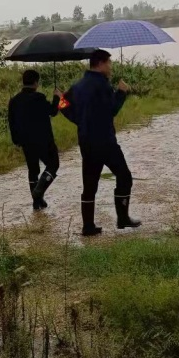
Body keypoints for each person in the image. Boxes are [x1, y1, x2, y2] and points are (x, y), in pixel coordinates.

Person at [62, 50, 142, 236]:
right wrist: (121, 92)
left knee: (89, 184)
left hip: (86, 141)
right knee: (124, 177)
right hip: (105, 141)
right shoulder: (102, 85)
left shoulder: (77, 86)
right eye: (109, 63)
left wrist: (79, 121)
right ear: (100, 63)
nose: (110, 68)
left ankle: (88, 226)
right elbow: (111, 110)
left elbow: (62, 106)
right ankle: (122, 218)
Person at [8, 69, 62, 210]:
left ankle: (37, 202)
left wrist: (16, 140)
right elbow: (53, 111)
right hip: (44, 140)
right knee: (53, 165)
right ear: (36, 82)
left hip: (26, 141)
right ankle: (38, 193)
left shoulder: (14, 100)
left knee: (33, 170)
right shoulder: (39, 98)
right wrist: (57, 97)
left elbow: (11, 122)